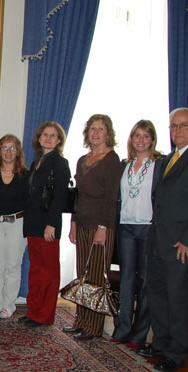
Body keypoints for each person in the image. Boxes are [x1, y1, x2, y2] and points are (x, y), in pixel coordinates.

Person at [139, 108, 188, 372]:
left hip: (183, 246)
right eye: (173, 126)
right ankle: (161, 344)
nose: (177, 131)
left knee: (179, 300)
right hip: (160, 241)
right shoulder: (170, 158)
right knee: (158, 296)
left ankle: (176, 352)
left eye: (183, 126)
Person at [65, 114, 121, 340]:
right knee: (83, 275)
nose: (96, 133)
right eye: (92, 129)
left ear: (108, 133)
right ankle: (81, 321)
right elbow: (77, 196)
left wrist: (103, 227)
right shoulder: (81, 159)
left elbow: (112, 198)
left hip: (101, 225)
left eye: (101, 129)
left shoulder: (112, 160)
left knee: (97, 277)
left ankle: (94, 327)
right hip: (83, 223)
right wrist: (73, 222)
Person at [111, 120, 165, 349]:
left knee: (145, 281)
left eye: (146, 136)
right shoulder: (125, 165)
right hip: (126, 227)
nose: (141, 140)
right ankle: (122, 328)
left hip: (149, 227)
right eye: (137, 136)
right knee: (126, 280)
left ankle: (139, 333)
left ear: (152, 140)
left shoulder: (160, 165)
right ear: (131, 139)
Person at [21, 122, 70, 328]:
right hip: (33, 223)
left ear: (58, 140)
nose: (48, 138)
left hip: (48, 225)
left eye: (53, 135)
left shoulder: (60, 162)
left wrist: (51, 224)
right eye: (45, 135)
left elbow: (59, 196)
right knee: (36, 270)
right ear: (39, 139)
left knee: (48, 272)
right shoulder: (37, 162)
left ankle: (45, 316)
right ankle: (33, 311)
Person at [0, 134, 29, 319]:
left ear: (18, 151)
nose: (8, 151)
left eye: (12, 148)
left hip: (18, 223)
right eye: (4, 148)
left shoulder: (25, 175)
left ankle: (9, 305)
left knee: (13, 265)